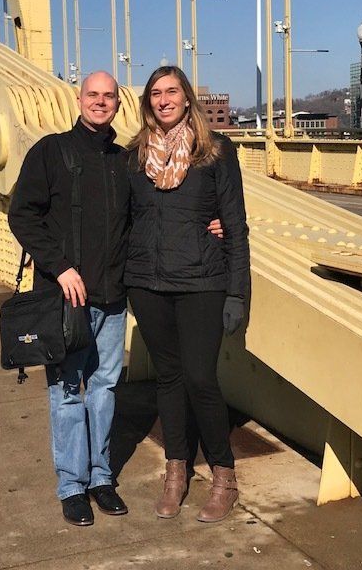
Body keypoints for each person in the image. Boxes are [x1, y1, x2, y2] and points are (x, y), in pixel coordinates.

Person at [125, 65, 250, 523]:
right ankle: (175, 472)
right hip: (148, 284)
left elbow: (234, 224)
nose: (163, 100)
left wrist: (238, 293)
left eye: (171, 91)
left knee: (200, 379)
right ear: (148, 103)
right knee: (169, 380)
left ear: (186, 97)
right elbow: (119, 218)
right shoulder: (134, 156)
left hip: (202, 282)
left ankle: (223, 477)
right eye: (155, 93)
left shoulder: (215, 151)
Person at [8, 71, 131, 527]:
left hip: (113, 299)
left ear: (118, 104)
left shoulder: (124, 160)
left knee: (104, 390)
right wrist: (60, 267)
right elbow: (22, 215)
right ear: (79, 100)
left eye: (108, 96)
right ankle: (72, 486)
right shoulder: (51, 151)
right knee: (66, 393)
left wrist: (211, 224)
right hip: (65, 300)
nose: (100, 102)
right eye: (92, 95)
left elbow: (147, 218)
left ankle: (101, 478)